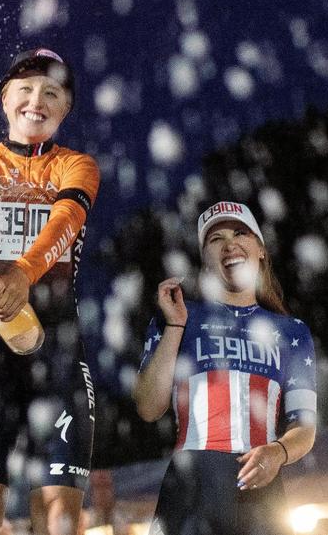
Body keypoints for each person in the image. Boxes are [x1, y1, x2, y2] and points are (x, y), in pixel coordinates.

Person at [0, 48, 100, 535]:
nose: (37, 100)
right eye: (26, 89)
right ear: (5, 98)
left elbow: (65, 221)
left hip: (58, 350)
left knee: (59, 521)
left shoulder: (77, 165)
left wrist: (24, 274)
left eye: (52, 93)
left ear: (66, 108)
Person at [134, 201, 318, 535]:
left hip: (262, 490)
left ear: (260, 249)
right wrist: (175, 326)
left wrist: (278, 452)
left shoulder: (293, 332)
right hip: (191, 486)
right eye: (215, 239)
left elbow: (305, 428)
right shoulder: (177, 315)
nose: (229, 243)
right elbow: (148, 408)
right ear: (205, 258)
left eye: (240, 233)